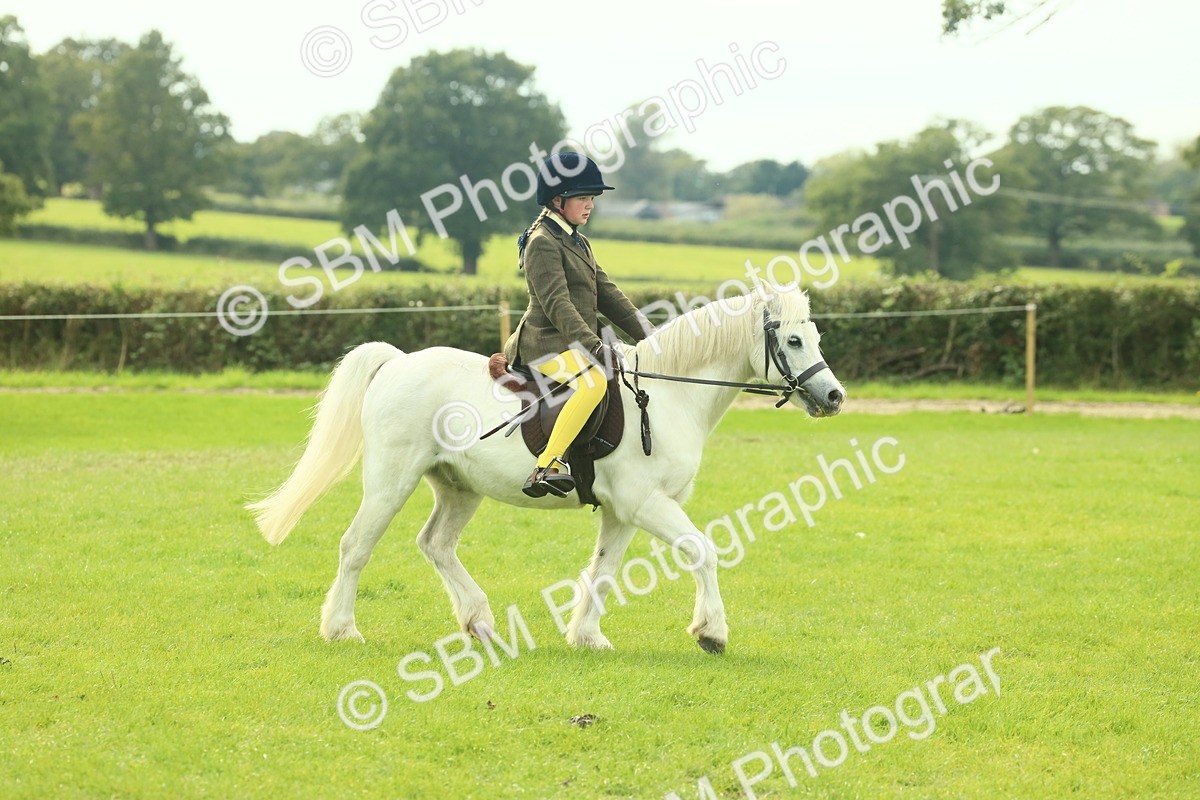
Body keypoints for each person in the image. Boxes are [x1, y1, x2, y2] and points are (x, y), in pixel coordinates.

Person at [503, 152, 653, 498]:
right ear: (559, 200)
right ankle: (548, 465)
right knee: (593, 382)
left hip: (573, 342)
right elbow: (558, 305)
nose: (590, 206)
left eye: (592, 199)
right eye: (584, 198)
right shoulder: (542, 242)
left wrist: (652, 337)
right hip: (545, 344)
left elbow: (609, 294)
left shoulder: (576, 240)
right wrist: (594, 345)